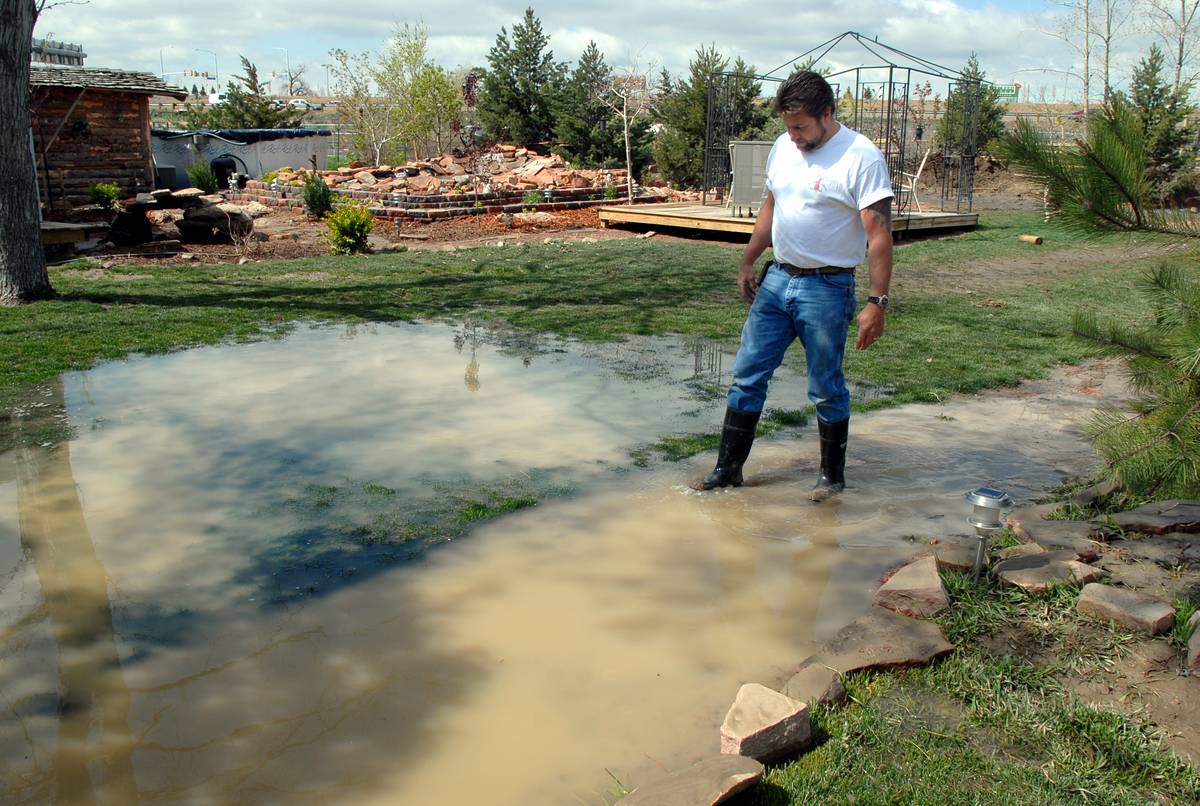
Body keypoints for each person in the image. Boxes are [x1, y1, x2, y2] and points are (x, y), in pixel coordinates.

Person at [694, 70, 894, 502]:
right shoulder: (783, 147)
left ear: (827, 114)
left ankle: (831, 478)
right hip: (777, 279)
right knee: (746, 375)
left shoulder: (860, 156)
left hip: (827, 287)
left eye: (801, 127)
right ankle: (728, 470)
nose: (794, 136)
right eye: (788, 127)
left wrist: (877, 301)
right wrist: (749, 259)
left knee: (825, 385)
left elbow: (878, 232)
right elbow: (771, 206)